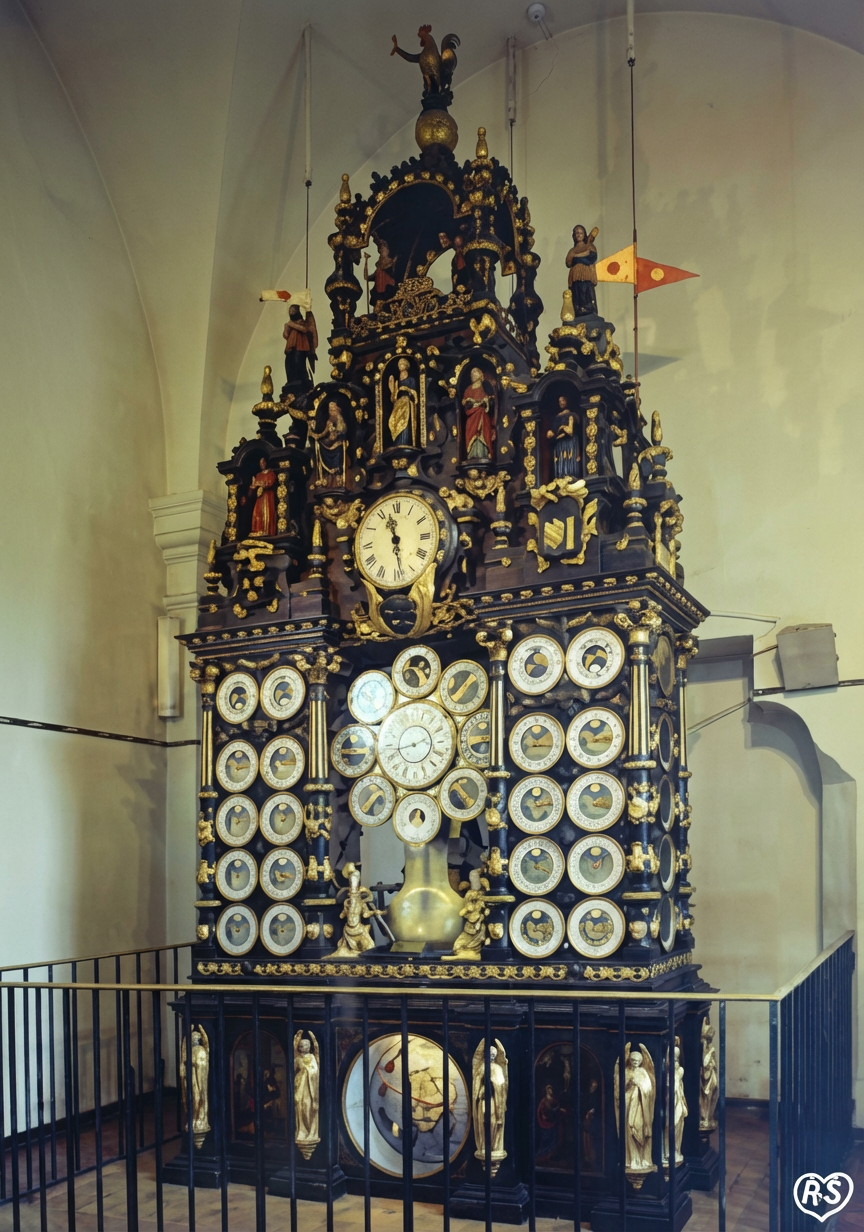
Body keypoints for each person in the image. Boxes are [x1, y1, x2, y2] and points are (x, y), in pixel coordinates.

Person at [309, 399, 348, 489]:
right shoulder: (328, 422)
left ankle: (338, 473)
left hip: (338, 444)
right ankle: (326, 478)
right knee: (320, 446)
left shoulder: (340, 422)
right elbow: (322, 435)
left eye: (333, 410)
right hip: (327, 443)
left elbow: (342, 432)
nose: (332, 412)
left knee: (340, 447)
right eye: (331, 410)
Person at [461, 367, 496, 460]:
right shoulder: (468, 390)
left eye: (475, 372)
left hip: (482, 416)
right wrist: (470, 403)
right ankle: (471, 455)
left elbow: (492, 401)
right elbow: (465, 406)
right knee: (471, 435)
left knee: (482, 434)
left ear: (481, 374)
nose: (473, 374)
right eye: (471, 373)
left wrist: (486, 401)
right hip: (471, 417)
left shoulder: (486, 386)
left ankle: (483, 454)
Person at [282, 304, 318, 390]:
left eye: (293, 311)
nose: (291, 312)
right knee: (288, 363)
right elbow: (286, 336)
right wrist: (286, 327)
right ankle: (291, 380)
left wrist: (291, 324)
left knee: (299, 363)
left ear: (297, 312)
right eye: (290, 311)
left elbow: (304, 329)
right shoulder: (290, 324)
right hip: (291, 347)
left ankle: (302, 379)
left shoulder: (303, 322)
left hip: (301, 346)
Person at [565, 224, 598, 315]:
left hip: (586, 275)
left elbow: (591, 258)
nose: (578, 235)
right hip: (575, 277)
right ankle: (579, 311)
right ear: (574, 236)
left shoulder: (590, 246)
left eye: (580, 233)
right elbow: (568, 262)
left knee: (586, 293)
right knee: (577, 295)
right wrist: (583, 254)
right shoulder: (572, 250)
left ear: (584, 234)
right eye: (576, 233)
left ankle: (589, 311)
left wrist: (576, 257)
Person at [387, 357, 419, 447]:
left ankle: (404, 441)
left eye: (402, 364)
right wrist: (392, 389)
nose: (401, 367)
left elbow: (415, 394)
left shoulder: (411, 380)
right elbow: (393, 399)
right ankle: (397, 442)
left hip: (406, 403)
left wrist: (404, 389)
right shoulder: (397, 382)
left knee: (405, 422)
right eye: (399, 365)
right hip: (398, 404)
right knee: (393, 422)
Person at [551, 394, 581, 480]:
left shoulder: (570, 415)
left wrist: (563, 427)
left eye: (562, 401)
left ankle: (570, 476)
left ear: (566, 402)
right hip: (559, 442)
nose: (561, 403)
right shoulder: (557, 417)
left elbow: (570, 432)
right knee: (560, 460)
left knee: (568, 459)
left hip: (569, 441)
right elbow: (554, 432)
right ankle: (560, 477)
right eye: (559, 402)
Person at [248, 458, 276, 536]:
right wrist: (253, 486)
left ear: (266, 463)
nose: (262, 464)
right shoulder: (258, 475)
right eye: (260, 463)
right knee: (257, 512)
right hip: (260, 497)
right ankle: (257, 530)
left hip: (267, 496)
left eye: (263, 462)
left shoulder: (270, 473)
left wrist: (260, 484)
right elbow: (253, 488)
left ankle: (267, 531)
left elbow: (271, 482)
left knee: (266, 512)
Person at [368, 236, 397, 303]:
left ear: (387, 250)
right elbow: (374, 275)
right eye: (381, 249)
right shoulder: (379, 265)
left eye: (384, 249)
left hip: (388, 287)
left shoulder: (391, 262)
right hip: (379, 288)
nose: (383, 251)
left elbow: (392, 273)